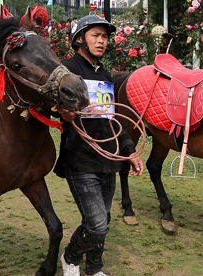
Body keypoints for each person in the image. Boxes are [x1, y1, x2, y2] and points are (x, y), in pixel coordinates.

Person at [55, 15, 144, 276]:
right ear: (79, 38)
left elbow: (112, 118)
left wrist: (130, 152)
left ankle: (94, 269)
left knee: (103, 220)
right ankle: (70, 257)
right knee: (96, 225)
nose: (102, 41)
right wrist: (64, 114)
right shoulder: (66, 70)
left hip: (110, 159)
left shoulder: (104, 74)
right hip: (81, 159)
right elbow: (49, 107)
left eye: (105, 37)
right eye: (96, 35)